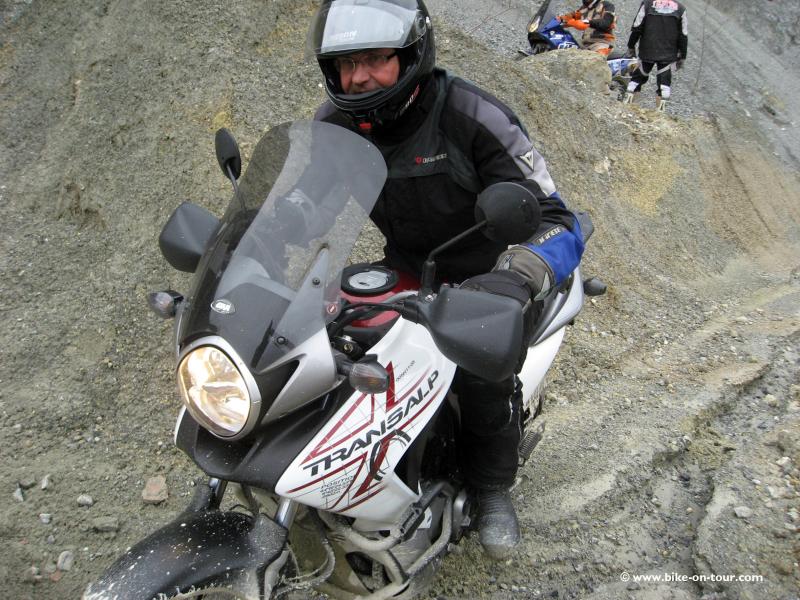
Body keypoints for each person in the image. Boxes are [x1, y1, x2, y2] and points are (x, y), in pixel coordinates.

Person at [307, 0, 585, 559]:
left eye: (375, 59)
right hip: (408, 270)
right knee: (334, 347)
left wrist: (515, 279)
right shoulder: (334, 126)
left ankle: (491, 488)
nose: (358, 77)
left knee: (481, 370)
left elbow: (557, 218)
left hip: (491, 277)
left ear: (411, 54)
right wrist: (256, 246)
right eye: (346, 64)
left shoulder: (472, 116)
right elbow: (305, 205)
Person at [622, 0, 688, 111]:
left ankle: (628, 109)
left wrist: (631, 46)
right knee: (664, 85)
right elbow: (683, 34)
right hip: (668, 53)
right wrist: (683, 56)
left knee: (636, 80)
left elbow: (637, 27)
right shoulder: (681, 8)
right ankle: (660, 114)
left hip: (647, 49)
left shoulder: (647, 4)